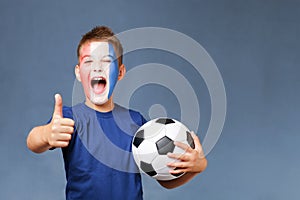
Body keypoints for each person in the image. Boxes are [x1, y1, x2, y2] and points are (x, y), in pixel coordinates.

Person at [26, 26, 207, 199]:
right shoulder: (69, 119)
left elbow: (164, 181)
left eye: (106, 61)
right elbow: (33, 142)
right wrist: (46, 134)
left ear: (120, 72)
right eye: (88, 61)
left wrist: (197, 167)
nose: (97, 67)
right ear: (79, 73)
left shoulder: (137, 123)